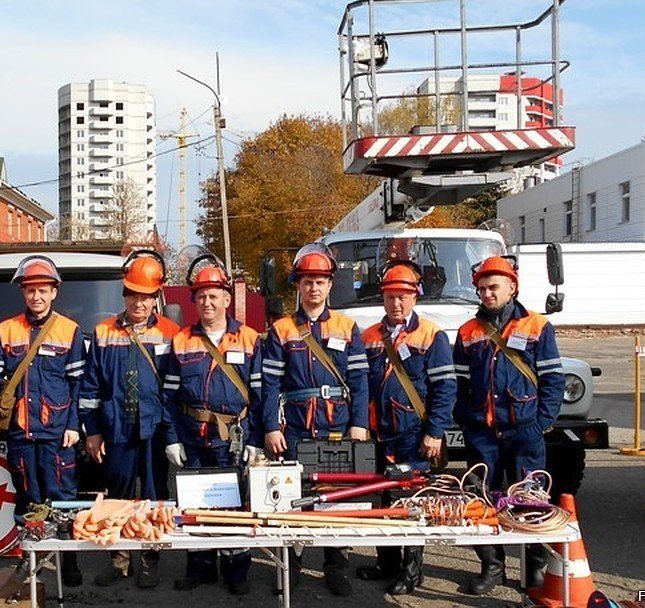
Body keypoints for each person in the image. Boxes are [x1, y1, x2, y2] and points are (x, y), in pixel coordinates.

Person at [259, 243, 369, 597]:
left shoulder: (348, 327)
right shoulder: (281, 330)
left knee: (337, 499)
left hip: (337, 425)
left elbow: (359, 381)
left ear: (330, 284)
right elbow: (270, 383)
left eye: (320, 281)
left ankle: (336, 565)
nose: (314, 288)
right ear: (298, 285)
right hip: (295, 428)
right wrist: (270, 426)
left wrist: (359, 423)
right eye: (307, 281)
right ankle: (292, 566)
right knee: (294, 498)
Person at [454, 255, 565, 594]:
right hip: (482, 435)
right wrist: (469, 422)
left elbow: (553, 380)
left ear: (512, 287)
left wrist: (540, 423)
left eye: (493, 287)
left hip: (524, 432)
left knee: (530, 502)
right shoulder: (468, 331)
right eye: (482, 289)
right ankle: (492, 568)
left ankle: (533, 571)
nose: (487, 294)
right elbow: (459, 383)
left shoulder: (537, 326)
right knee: (479, 503)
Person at [0, 255, 84, 587]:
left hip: (56, 434)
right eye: (30, 291)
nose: (36, 297)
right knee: (27, 499)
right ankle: (31, 562)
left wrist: (73, 425)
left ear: (54, 292)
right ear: (23, 293)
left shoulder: (70, 331)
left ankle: (68, 562)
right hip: (20, 433)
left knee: (62, 501)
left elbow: (80, 384)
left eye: (42, 290)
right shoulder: (6, 330)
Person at [79, 250, 180, 589]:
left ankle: (150, 560)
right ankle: (120, 560)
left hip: (153, 429)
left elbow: (174, 388)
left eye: (146, 296)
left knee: (154, 495)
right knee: (117, 496)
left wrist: (172, 435)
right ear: (124, 295)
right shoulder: (103, 332)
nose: (139, 302)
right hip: (117, 428)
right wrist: (92, 432)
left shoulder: (170, 332)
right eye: (133, 294)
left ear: (156, 299)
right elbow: (90, 385)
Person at [163, 256, 262, 596]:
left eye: (214, 295)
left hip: (232, 438)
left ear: (226, 298)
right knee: (193, 506)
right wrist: (172, 438)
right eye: (201, 296)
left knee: (234, 504)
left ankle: (236, 570)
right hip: (192, 437)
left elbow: (261, 394)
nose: (207, 302)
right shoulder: (181, 340)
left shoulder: (249, 339)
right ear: (194, 301)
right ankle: (200, 567)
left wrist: (257, 440)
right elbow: (169, 397)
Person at [357, 261, 455, 595]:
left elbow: (445, 388)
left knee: (412, 501)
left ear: (414, 298)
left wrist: (435, 432)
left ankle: (413, 571)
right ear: (382, 298)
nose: (396, 303)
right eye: (390, 296)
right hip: (379, 434)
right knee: (382, 500)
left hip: (414, 434)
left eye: (403, 296)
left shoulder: (431, 335)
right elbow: (360, 387)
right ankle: (386, 562)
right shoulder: (369, 337)